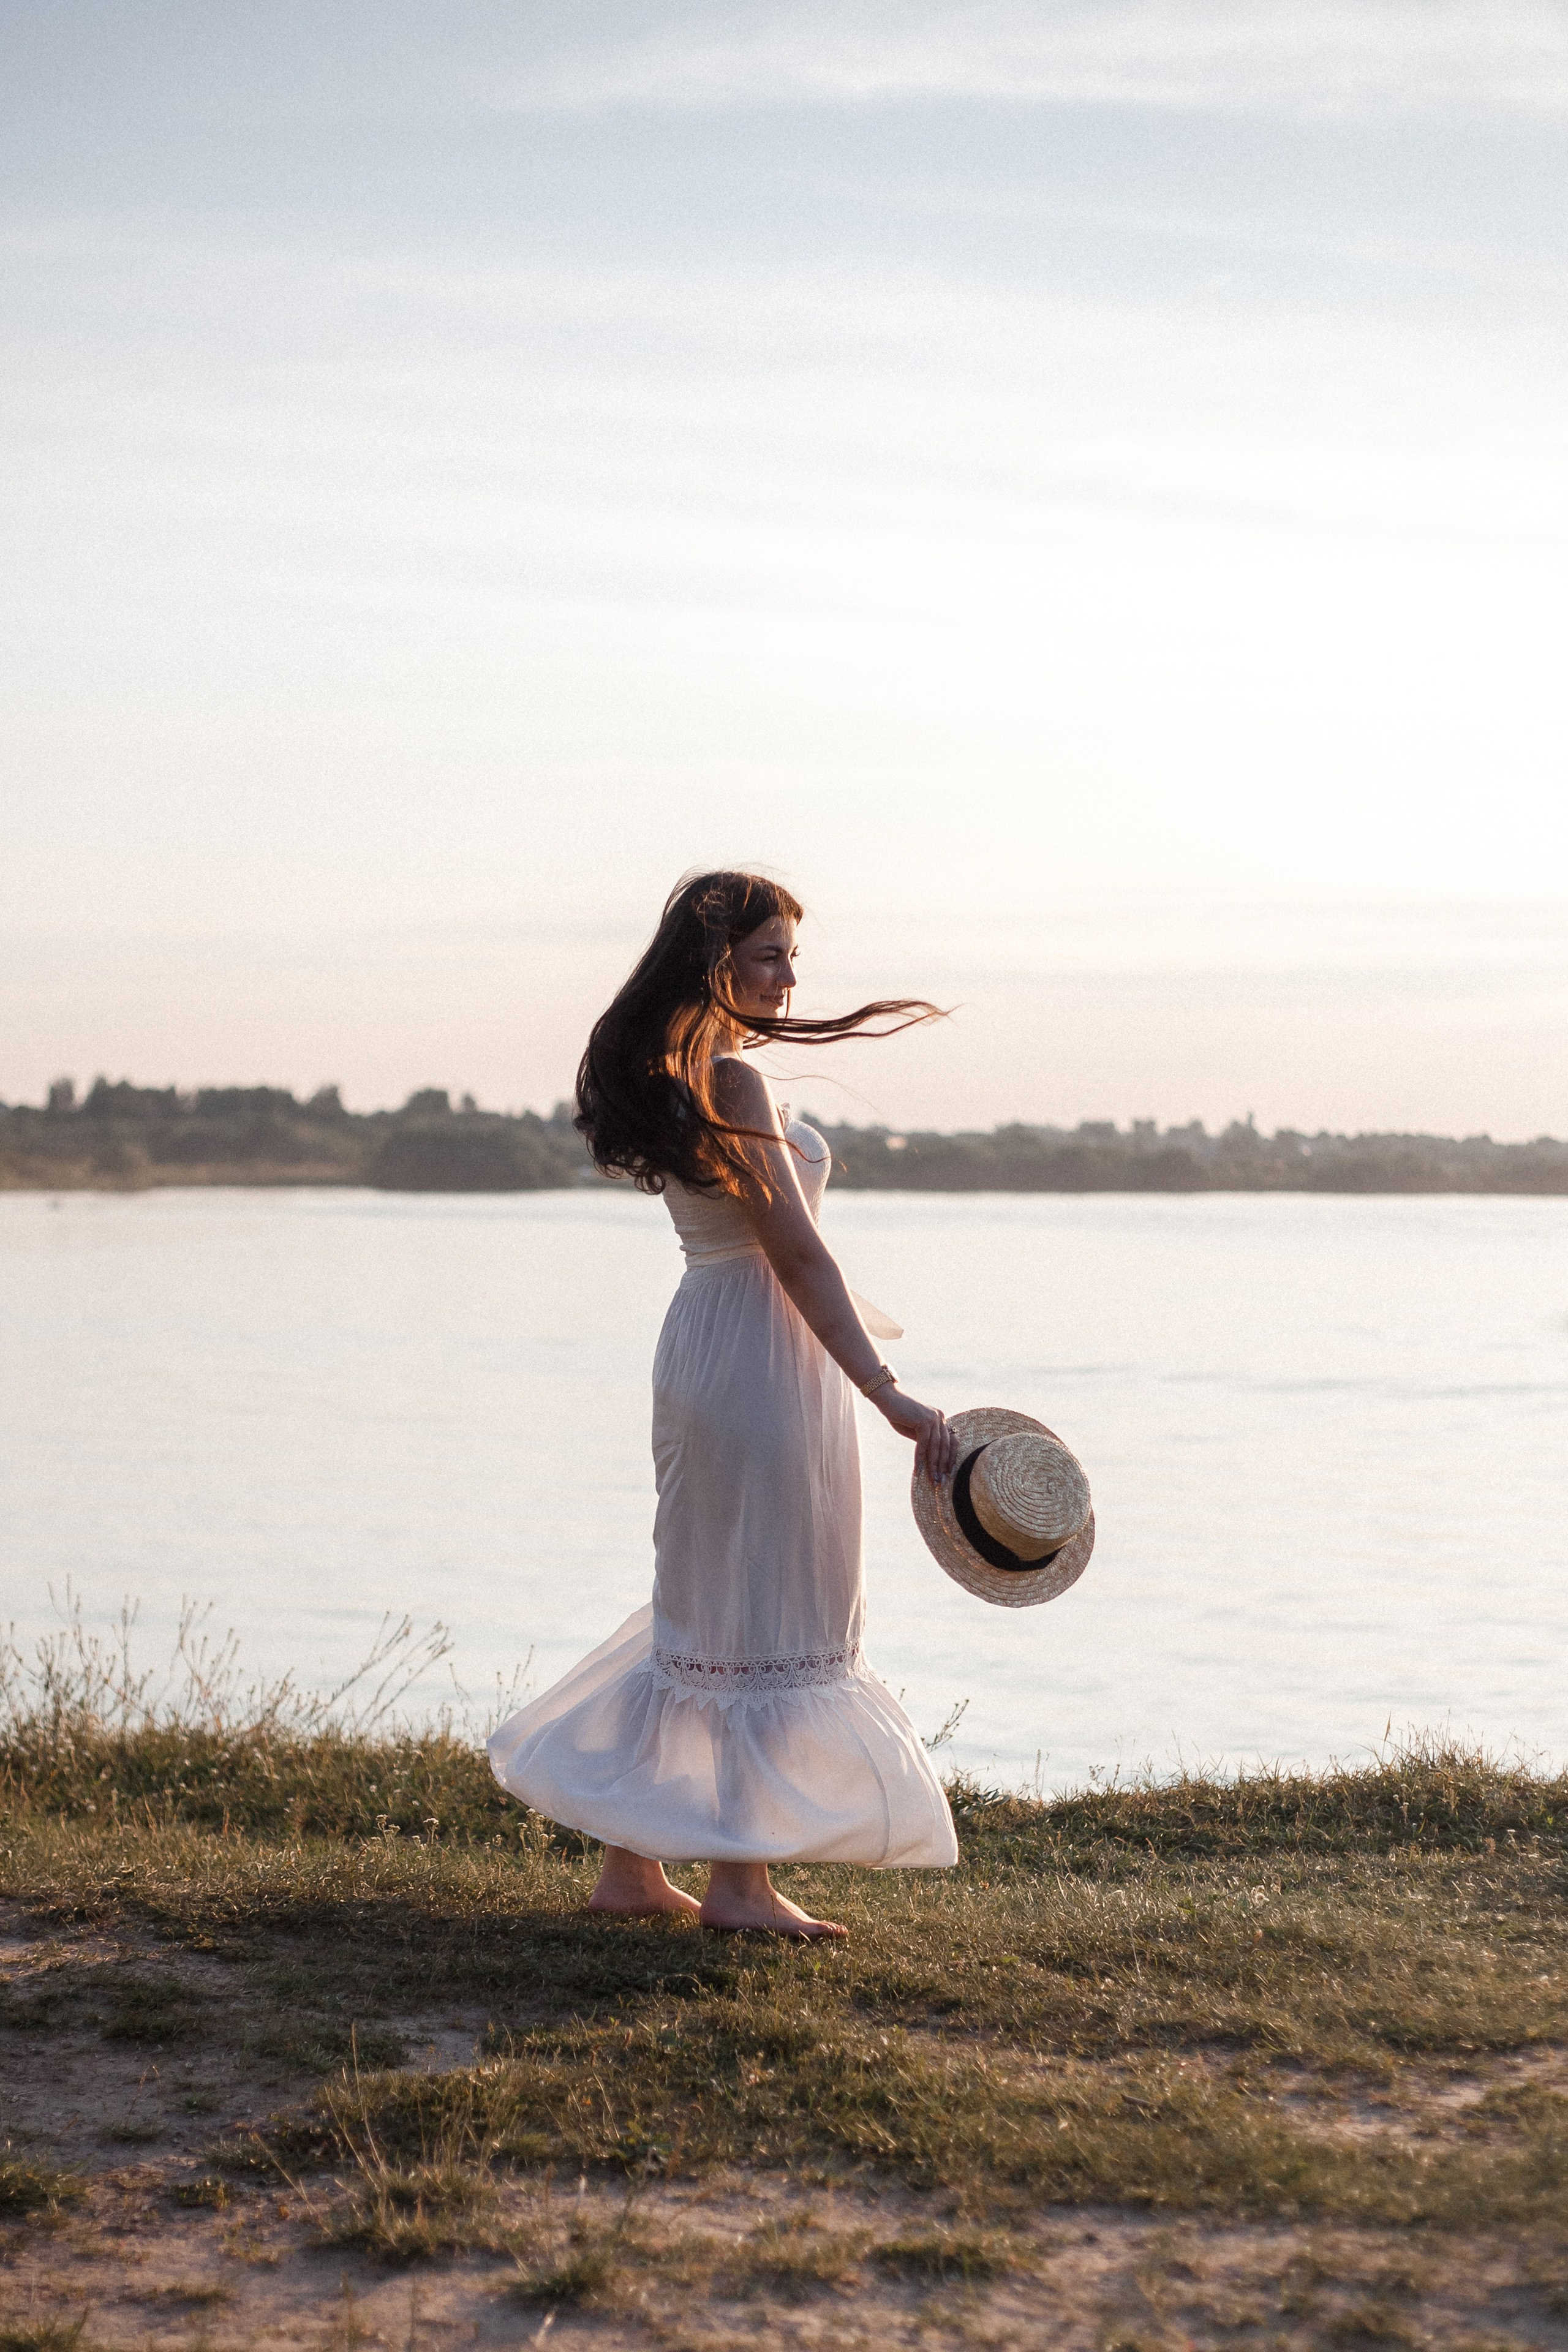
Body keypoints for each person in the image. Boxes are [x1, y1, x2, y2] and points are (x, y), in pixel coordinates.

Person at [488, 870, 961, 1937]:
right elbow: (795, 1250)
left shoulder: (673, 1072)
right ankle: (741, 1888)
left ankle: (629, 1867)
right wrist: (883, 1390)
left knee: (703, 1602)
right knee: (767, 1604)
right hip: (759, 1358)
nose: (790, 980)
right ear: (716, 963)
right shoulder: (733, 1082)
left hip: (706, 1342)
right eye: (770, 957)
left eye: (793, 958)